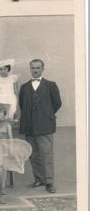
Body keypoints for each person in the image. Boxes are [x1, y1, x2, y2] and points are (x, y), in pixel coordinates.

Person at [19, 59, 62, 193]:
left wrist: (46, 115)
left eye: (38, 68)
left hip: (45, 125)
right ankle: (39, 179)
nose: (35, 70)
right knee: (33, 154)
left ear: (43, 69)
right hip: (29, 125)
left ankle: (49, 182)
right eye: (33, 68)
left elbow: (57, 103)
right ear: (30, 69)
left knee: (46, 154)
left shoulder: (51, 85)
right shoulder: (24, 87)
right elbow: (22, 105)